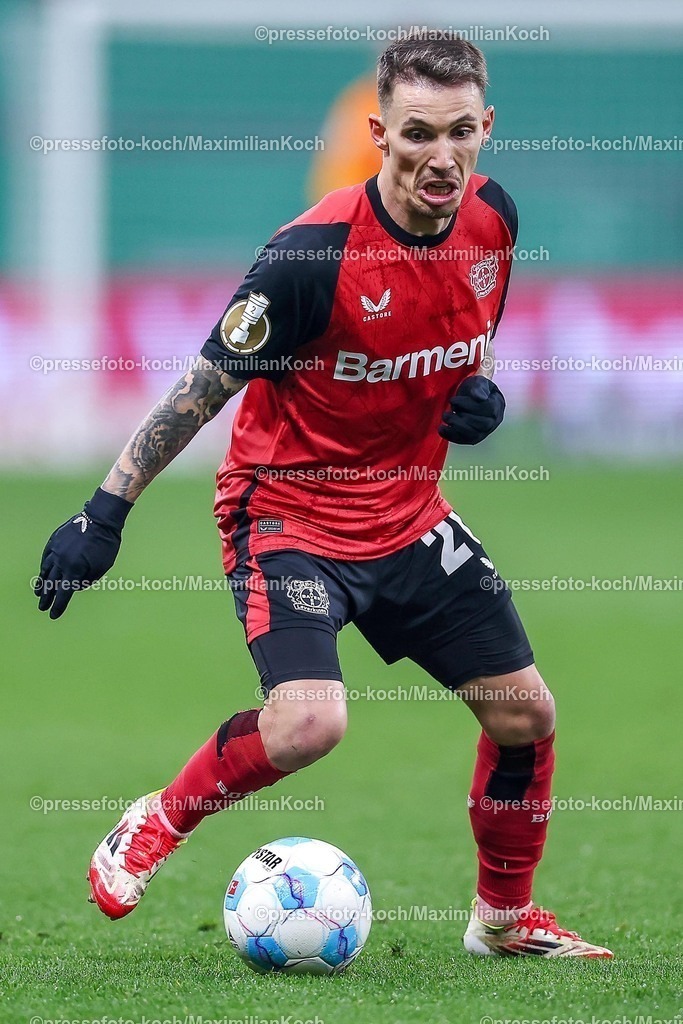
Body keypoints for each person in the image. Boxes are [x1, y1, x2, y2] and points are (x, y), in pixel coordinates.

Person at [35, 36, 612, 958]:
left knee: (525, 714)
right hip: (287, 514)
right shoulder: (309, 257)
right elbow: (200, 390)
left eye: (460, 132)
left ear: (485, 126)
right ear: (379, 134)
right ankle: (159, 817)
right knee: (309, 723)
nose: (441, 157)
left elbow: (467, 338)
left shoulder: (493, 220)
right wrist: (104, 513)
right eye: (417, 134)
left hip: (408, 515)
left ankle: (502, 920)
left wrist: (480, 395)